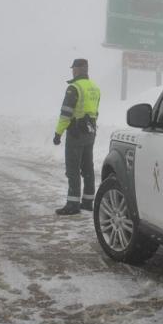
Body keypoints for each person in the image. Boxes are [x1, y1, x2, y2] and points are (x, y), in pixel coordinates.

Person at [52, 58, 101, 215]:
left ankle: (73, 204)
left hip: (76, 133)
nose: (72, 71)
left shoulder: (74, 88)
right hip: (90, 132)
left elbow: (66, 113)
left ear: (79, 69)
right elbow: (95, 111)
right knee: (88, 168)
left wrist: (58, 133)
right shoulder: (95, 87)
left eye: (74, 68)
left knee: (73, 168)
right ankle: (87, 202)